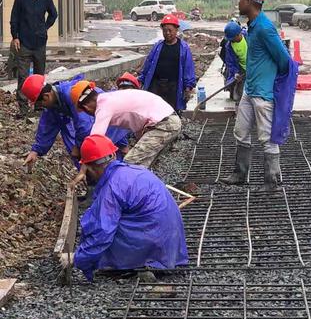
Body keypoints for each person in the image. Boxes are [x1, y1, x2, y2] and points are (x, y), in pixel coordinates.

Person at [67, 134, 188, 281]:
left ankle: (140, 262)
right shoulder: (134, 170)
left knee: (105, 226)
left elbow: (102, 232)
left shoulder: (112, 186)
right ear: (112, 155)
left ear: (91, 168)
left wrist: (77, 258)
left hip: (153, 238)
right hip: (171, 239)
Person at [222, 0, 298, 190]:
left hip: (263, 93)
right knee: (240, 131)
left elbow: (284, 61)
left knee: (266, 137)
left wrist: (271, 82)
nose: (239, 3)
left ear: (250, 1)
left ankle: (271, 181)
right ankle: (240, 174)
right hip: (250, 90)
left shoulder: (264, 28)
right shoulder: (252, 27)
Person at [21, 74, 129, 171]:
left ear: (46, 96)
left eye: (40, 104)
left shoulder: (71, 94)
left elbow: (85, 125)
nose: (42, 108)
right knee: (79, 149)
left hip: (107, 120)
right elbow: (47, 126)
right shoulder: (53, 104)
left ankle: (107, 180)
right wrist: (36, 151)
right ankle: (94, 184)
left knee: (97, 154)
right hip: (101, 123)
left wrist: (78, 147)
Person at [70, 80, 181, 171]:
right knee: (141, 166)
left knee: (130, 165)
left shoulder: (104, 106)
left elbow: (94, 141)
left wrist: (83, 169)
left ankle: (134, 194)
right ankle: (144, 193)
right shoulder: (109, 98)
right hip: (165, 121)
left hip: (164, 124)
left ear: (86, 107)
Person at [11, 0, 58, 117]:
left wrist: (45, 27)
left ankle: (39, 106)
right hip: (24, 43)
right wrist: (15, 36)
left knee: (39, 76)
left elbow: (53, 14)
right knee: (23, 77)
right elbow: (14, 18)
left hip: (40, 44)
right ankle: (23, 109)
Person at [138, 14, 196, 112]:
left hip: (173, 86)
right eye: (164, 30)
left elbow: (188, 68)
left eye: (170, 30)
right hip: (156, 84)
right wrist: (141, 80)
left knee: (171, 111)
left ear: (176, 30)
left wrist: (188, 87)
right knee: (154, 110)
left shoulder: (183, 48)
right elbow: (148, 64)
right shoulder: (158, 46)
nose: (167, 33)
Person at [223, 21, 248, 104]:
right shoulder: (229, 46)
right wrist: (235, 73)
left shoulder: (249, 37)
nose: (231, 41)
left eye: (232, 38)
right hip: (242, 68)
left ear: (238, 34)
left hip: (254, 66)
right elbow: (230, 62)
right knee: (240, 93)